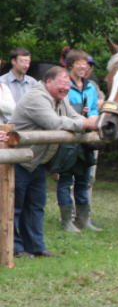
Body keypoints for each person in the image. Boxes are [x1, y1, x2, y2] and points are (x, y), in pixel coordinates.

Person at [10, 66, 99, 258]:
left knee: (36, 205)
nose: (66, 89)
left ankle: (36, 247)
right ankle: (15, 248)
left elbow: (73, 116)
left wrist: (86, 120)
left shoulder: (61, 97)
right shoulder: (37, 97)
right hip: (17, 161)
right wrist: (86, 124)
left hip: (36, 162)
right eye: (62, 84)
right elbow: (54, 122)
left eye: (68, 86)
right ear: (48, 82)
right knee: (15, 206)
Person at [57, 49, 101, 233]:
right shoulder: (63, 85)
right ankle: (66, 220)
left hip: (87, 139)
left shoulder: (90, 87)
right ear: (70, 65)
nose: (84, 67)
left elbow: (93, 109)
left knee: (84, 181)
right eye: (79, 63)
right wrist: (80, 117)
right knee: (66, 181)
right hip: (68, 138)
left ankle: (84, 219)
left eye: (85, 64)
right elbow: (60, 109)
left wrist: (91, 118)